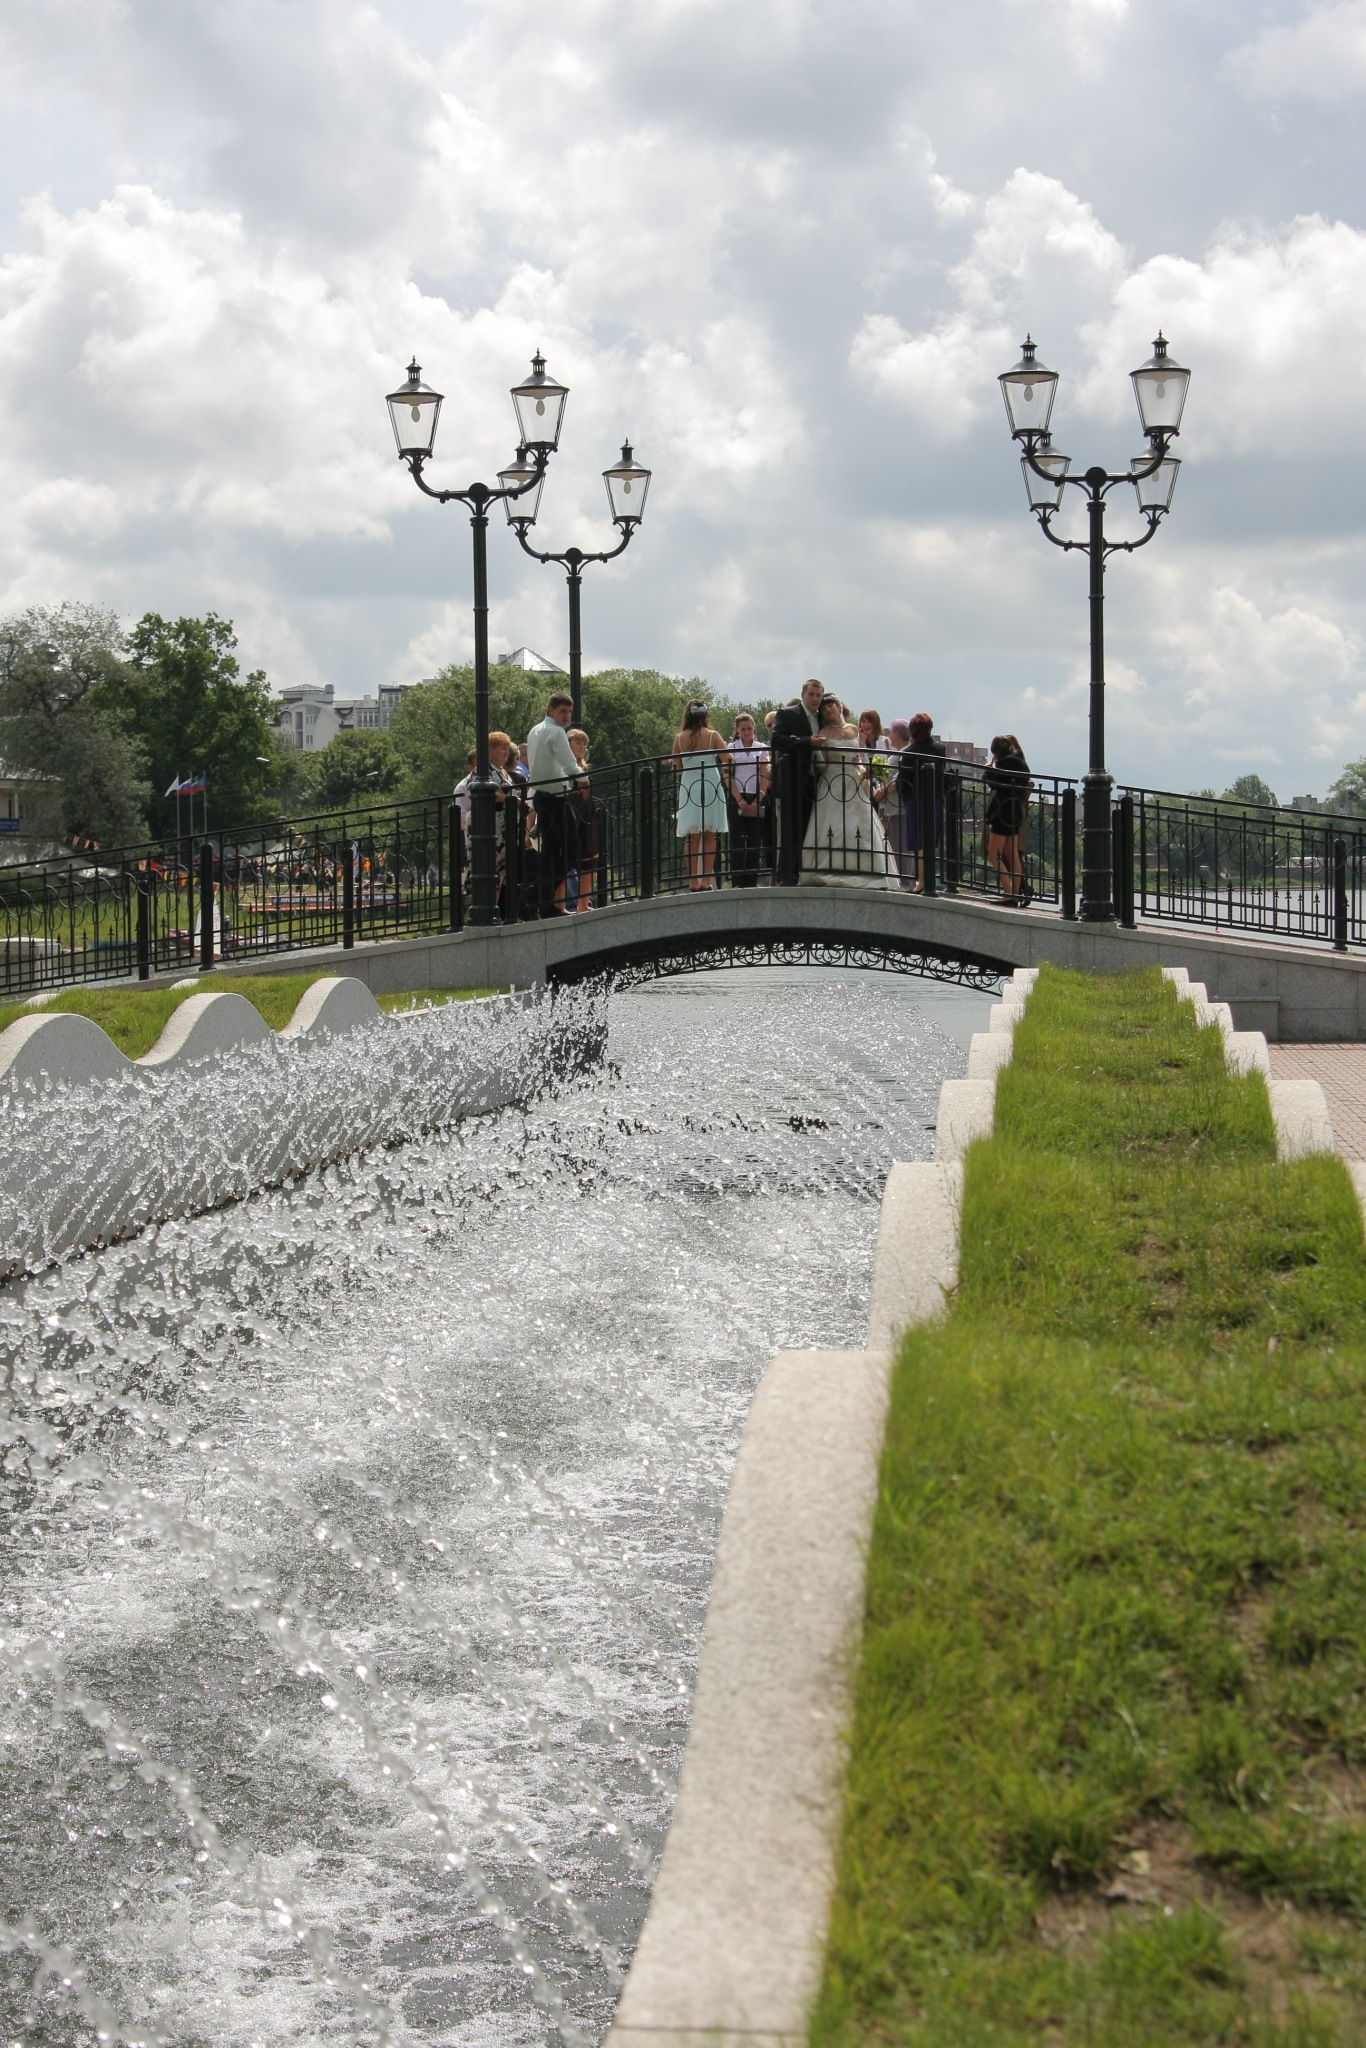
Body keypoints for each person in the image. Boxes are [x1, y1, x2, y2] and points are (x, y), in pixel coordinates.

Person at [800, 693, 898, 888]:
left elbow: (857, 758)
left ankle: (869, 869)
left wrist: (864, 770)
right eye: (824, 708)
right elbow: (823, 767)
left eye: (830, 705)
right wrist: (816, 751)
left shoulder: (853, 729)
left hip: (854, 781)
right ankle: (831, 867)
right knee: (833, 826)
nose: (827, 710)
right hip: (832, 783)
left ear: (839, 706)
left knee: (861, 825)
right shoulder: (823, 732)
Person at [526, 690, 583, 917]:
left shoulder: (534, 730)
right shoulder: (557, 732)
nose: (567, 716)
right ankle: (538, 896)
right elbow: (569, 764)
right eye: (562, 711)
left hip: (541, 796)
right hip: (556, 798)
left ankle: (543, 902)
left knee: (549, 853)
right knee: (572, 850)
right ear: (551, 710)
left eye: (569, 711)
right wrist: (585, 779)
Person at [769, 678, 826, 875]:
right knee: (790, 830)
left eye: (818, 695)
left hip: (816, 783)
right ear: (803, 695)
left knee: (810, 829)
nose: (815, 699)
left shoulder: (822, 718)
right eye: (811, 694)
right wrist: (807, 741)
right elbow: (777, 740)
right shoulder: (787, 714)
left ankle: (804, 872)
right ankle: (787, 875)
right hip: (792, 782)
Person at [672, 700, 729, 889]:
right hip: (711, 784)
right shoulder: (713, 735)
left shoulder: (679, 738)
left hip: (690, 785)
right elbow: (728, 759)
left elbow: (676, 768)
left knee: (692, 836)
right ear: (705, 715)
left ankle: (693, 881)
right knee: (710, 835)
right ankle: (706, 880)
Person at [897, 712, 948, 893]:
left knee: (919, 842)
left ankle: (922, 882)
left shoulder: (909, 752)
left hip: (916, 800)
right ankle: (929, 880)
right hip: (936, 798)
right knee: (930, 840)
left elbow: (903, 780)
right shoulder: (940, 749)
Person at [985, 733, 1032, 905]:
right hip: (1015, 811)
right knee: (1012, 855)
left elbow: (994, 783)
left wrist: (988, 768)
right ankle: (1016, 893)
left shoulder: (1006, 763)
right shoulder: (1020, 760)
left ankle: (1008, 892)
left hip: (1002, 812)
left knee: (992, 855)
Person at [725, 711, 767, 887]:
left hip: (755, 795)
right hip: (737, 795)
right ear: (737, 730)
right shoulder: (731, 747)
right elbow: (727, 775)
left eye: (749, 728)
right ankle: (737, 880)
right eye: (743, 729)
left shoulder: (761, 747)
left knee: (754, 838)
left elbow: (765, 774)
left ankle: (751, 881)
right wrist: (738, 799)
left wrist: (758, 798)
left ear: (754, 728)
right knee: (736, 838)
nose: (747, 732)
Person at [566, 728, 600, 911]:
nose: (581, 746)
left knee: (589, 858)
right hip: (571, 816)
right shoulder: (564, 767)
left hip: (587, 815)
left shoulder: (584, 768)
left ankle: (583, 904)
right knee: (566, 860)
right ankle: (562, 904)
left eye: (584, 743)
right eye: (577, 742)